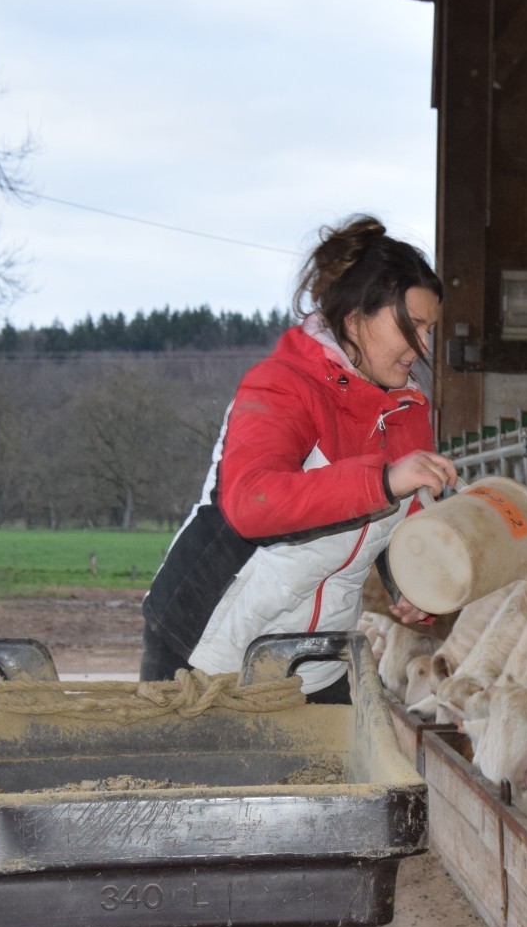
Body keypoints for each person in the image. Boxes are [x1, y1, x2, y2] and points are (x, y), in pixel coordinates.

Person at [141, 216, 458, 700]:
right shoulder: (282, 385)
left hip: (313, 661)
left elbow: (401, 523)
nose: (424, 346)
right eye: (412, 325)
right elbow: (252, 503)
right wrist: (382, 479)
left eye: (430, 328)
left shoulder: (407, 411)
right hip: (208, 651)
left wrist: (412, 585)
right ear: (354, 318)